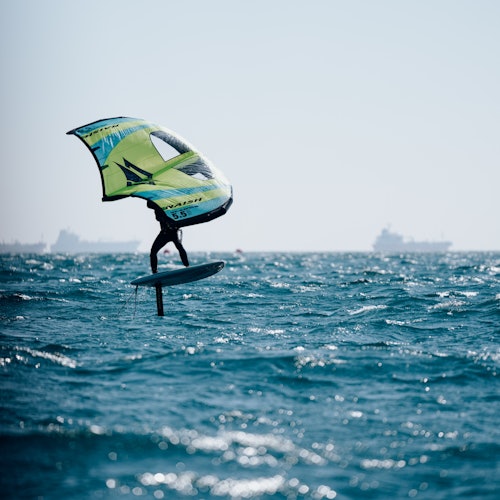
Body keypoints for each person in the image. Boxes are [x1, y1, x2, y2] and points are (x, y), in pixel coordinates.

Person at [147, 200, 189, 273]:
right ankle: (154, 272)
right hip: (165, 233)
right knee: (153, 252)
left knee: (179, 247)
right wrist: (150, 198)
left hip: (173, 232)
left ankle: (187, 266)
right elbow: (149, 205)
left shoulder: (169, 203)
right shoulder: (157, 205)